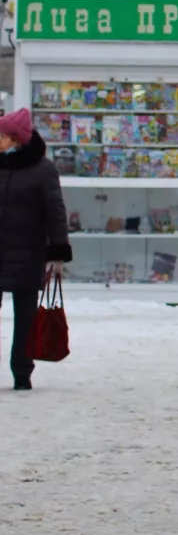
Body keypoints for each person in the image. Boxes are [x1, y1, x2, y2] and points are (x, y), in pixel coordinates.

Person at [0, 108, 70, 391]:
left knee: (26, 317)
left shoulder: (43, 169)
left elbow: (56, 213)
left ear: (16, 139)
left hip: (28, 255)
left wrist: (57, 253)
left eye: (1, 136)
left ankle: (21, 374)